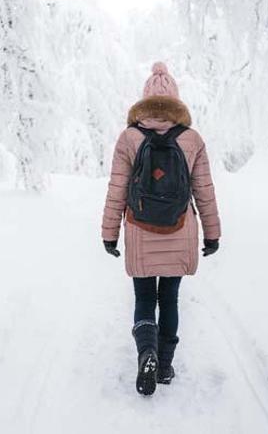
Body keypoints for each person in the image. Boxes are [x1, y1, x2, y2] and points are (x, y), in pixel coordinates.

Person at [101, 62, 221, 396]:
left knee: (143, 297)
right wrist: (212, 233)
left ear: (145, 100)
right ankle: (165, 365)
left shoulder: (129, 138)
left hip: (139, 231)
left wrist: (109, 234)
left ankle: (147, 352)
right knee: (169, 298)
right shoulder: (192, 139)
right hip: (179, 230)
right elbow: (205, 191)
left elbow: (116, 189)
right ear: (176, 100)